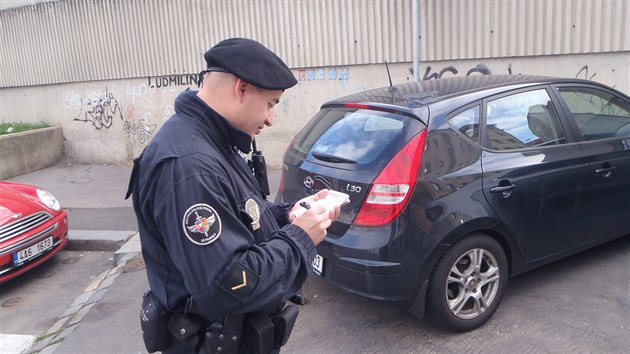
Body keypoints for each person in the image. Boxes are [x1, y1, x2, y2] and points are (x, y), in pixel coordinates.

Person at [126, 38, 340, 354]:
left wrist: (288, 215)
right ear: (241, 88)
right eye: (270, 104)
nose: (270, 119)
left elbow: (240, 214)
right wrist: (300, 237)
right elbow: (228, 285)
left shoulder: (212, 142)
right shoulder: (190, 167)